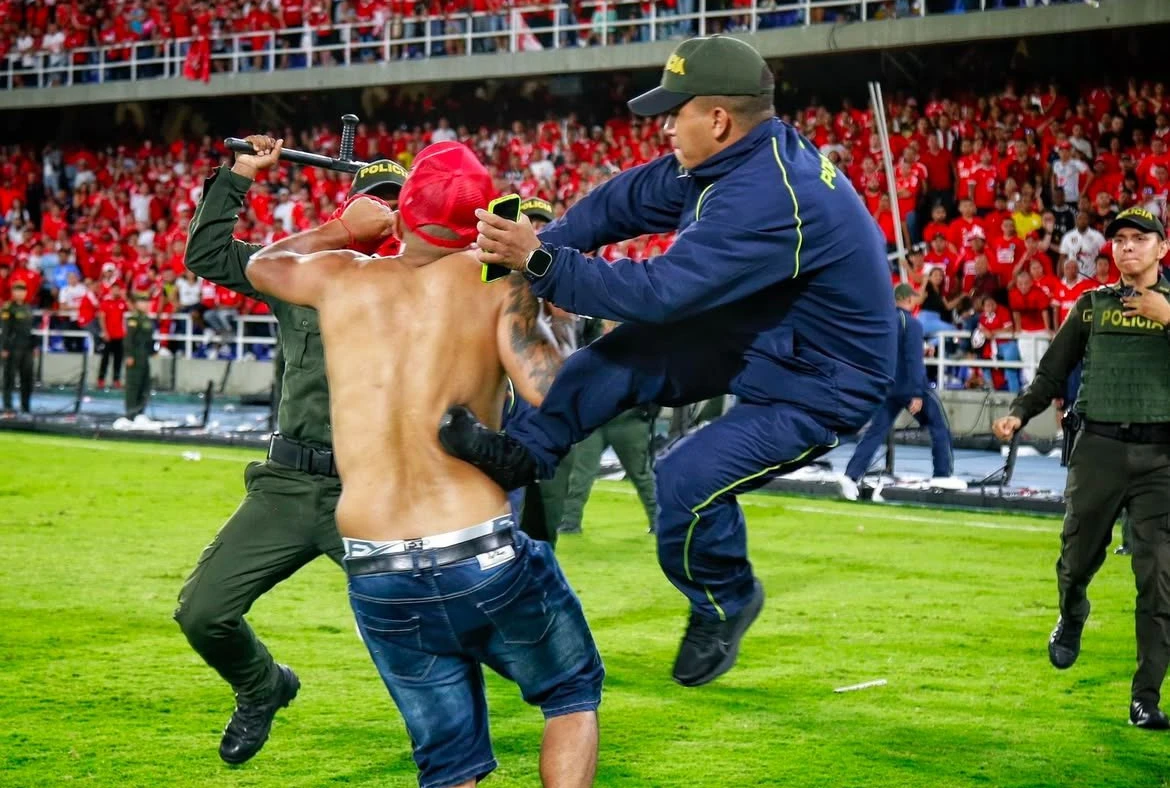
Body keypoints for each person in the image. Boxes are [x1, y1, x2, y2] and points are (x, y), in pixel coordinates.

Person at [440, 35, 897, 687]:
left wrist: (539, 263)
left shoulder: (768, 195)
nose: (666, 125)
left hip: (820, 380)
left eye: (675, 111)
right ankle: (524, 454)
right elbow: (619, 204)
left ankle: (725, 598)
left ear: (716, 119)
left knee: (684, 481)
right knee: (613, 360)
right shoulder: (733, 156)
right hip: (761, 331)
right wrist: (538, 246)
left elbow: (658, 293)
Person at [244, 141, 603, 788]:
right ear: (480, 225)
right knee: (570, 692)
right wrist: (560, 309)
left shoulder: (339, 275)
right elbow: (555, 389)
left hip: (377, 568)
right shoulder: (497, 283)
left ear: (402, 216)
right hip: (479, 553)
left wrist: (343, 228)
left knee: (449, 762)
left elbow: (265, 264)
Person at [174, 136, 408, 765]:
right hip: (286, 481)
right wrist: (242, 173)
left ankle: (453, 746)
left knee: (423, 627)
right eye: (372, 200)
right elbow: (208, 254)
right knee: (202, 612)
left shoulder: (425, 281)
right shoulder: (298, 272)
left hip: (370, 491)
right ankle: (262, 686)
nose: (382, 212)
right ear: (351, 207)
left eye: (395, 200)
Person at [992, 206, 1170, 730]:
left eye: (1139, 239)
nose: (1127, 247)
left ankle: (1146, 697)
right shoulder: (1091, 307)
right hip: (1098, 449)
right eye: (1119, 240)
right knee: (1075, 561)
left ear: (1162, 248)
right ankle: (1072, 614)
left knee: (1160, 581)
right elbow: (1052, 371)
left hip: (1162, 457)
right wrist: (1019, 412)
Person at [838, 284, 966, 499]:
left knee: (875, 433)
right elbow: (913, 360)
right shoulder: (913, 324)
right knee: (938, 425)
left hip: (888, 387)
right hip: (910, 387)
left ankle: (851, 475)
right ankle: (942, 473)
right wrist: (916, 392)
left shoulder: (885, 323)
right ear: (907, 298)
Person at [558, 319, 659, 536]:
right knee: (580, 475)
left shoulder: (639, 339)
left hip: (628, 420)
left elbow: (655, 376)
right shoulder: (589, 336)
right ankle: (569, 523)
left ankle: (660, 523)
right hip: (593, 420)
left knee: (641, 475)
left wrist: (647, 412)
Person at [1, 280, 35, 414]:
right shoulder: (8, 308)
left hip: (27, 347)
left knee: (27, 378)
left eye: (22, 290)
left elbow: (30, 328)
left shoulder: (27, 307)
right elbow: (5, 329)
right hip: (13, 346)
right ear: (13, 292)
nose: (20, 293)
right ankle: (8, 406)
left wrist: (34, 346)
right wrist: (4, 348)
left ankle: (25, 406)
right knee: (9, 377)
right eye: (17, 290)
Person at [124, 291, 154, 419]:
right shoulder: (133, 319)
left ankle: (140, 413)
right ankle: (131, 413)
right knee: (133, 385)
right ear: (136, 304)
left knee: (144, 384)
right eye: (142, 302)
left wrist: (153, 351)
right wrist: (129, 355)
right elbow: (129, 339)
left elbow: (149, 339)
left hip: (144, 356)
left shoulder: (147, 319)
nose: (145, 305)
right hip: (135, 355)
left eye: (146, 302)